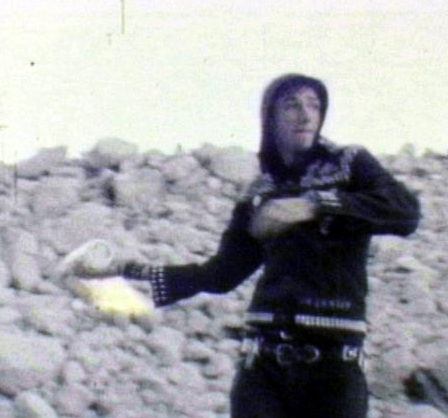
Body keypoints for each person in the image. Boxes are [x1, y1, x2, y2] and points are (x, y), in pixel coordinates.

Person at [59, 73, 421, 418]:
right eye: (292, 105)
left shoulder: (349, 164)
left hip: (333, 370)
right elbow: (220, 275)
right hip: (262, 368)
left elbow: (406, 213)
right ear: (271, 117)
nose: (305, 114)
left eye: (314, 105)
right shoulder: (259, 191)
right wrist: (126, 270)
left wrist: (313, 205)